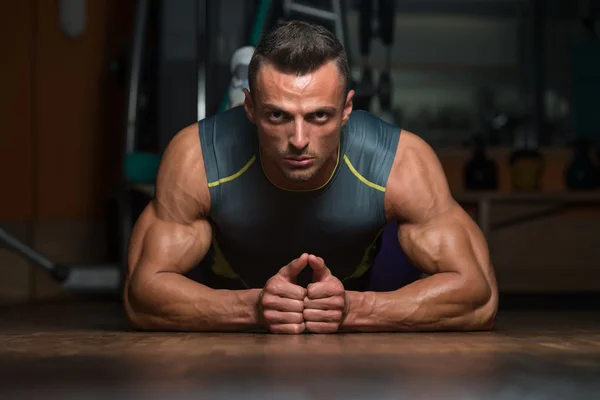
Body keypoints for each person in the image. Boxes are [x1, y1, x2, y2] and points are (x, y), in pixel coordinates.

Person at [124, 20, 498, 334]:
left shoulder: (400, 160)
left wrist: (355, 309)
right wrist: (252, 307)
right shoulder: (197, 157)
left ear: (347, 108)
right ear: (251, 109)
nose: (299, 141)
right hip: (227, 296)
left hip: (351, 293)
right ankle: (243, 92)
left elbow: (477, 295)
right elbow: (141, 295)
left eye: (319, 116)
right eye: (278, 116)